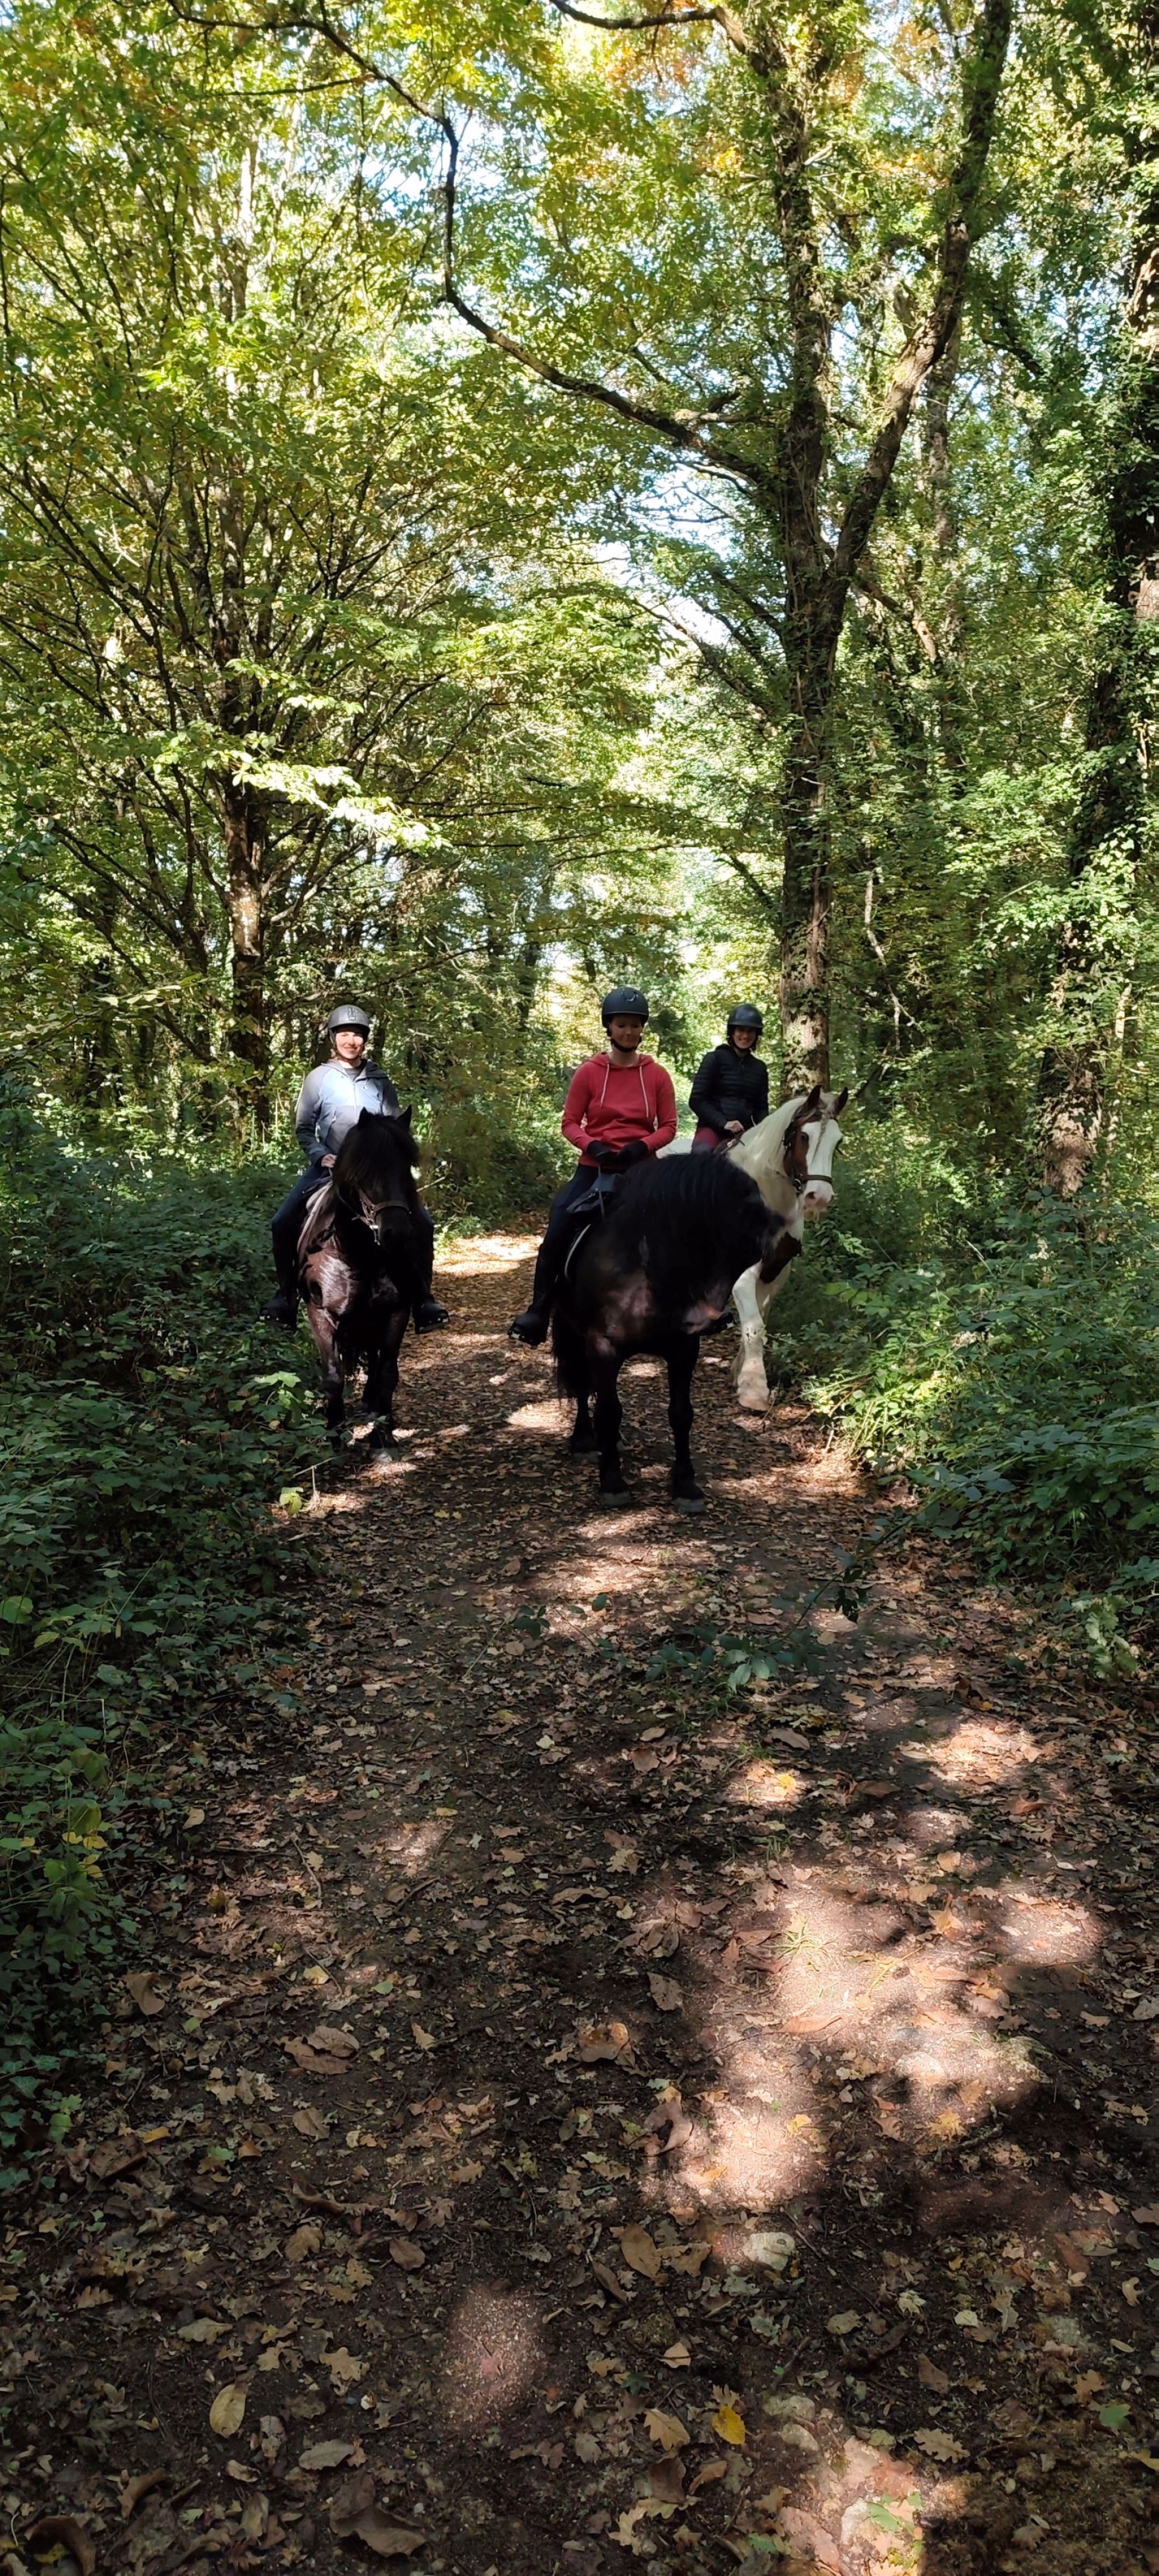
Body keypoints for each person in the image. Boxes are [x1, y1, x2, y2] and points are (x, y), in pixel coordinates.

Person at [263, 1002, 449, 1333]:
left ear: (365, 1040)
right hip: (332, 1166)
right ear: (334, 1038)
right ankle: (286, 1298)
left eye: (358, 1035)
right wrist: (321, 1155)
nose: (352, 1041)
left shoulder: (379, 1079)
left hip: (377, 1173)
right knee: (282, 1221)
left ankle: (424, 1300)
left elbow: (395, 1126)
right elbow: (304, 1128)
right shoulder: (318, 1079)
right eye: (345, 1034)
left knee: (422, 1222)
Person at [508, 988, 677, 1345]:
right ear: (609, 1027)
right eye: (621, 1025)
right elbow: (569, 1122)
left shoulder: (657, 1075)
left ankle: (693, 1305)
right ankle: (538, 1310)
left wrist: (641, 1147)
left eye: (635, 1026)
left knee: (680, 1224)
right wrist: (593, 1145)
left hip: (641, 1168)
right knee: (560, 1222)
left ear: (642, 1029)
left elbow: (669, 1126)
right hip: (595, 1167)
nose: (628, 1032)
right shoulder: (588, 1072)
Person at [689, 1003, 770, 1151]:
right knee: (702, 1157)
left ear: (756, 1035)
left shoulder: (759, 1068)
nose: (745, 1036)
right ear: (732, 1032)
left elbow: (761, 1109)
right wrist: (724, 1123)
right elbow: (697, 1100)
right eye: (741, 1030)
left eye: (750, 1031)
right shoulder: (714, 1059)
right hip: (712, 1130)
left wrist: (768, 1130)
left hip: (744, 1132)